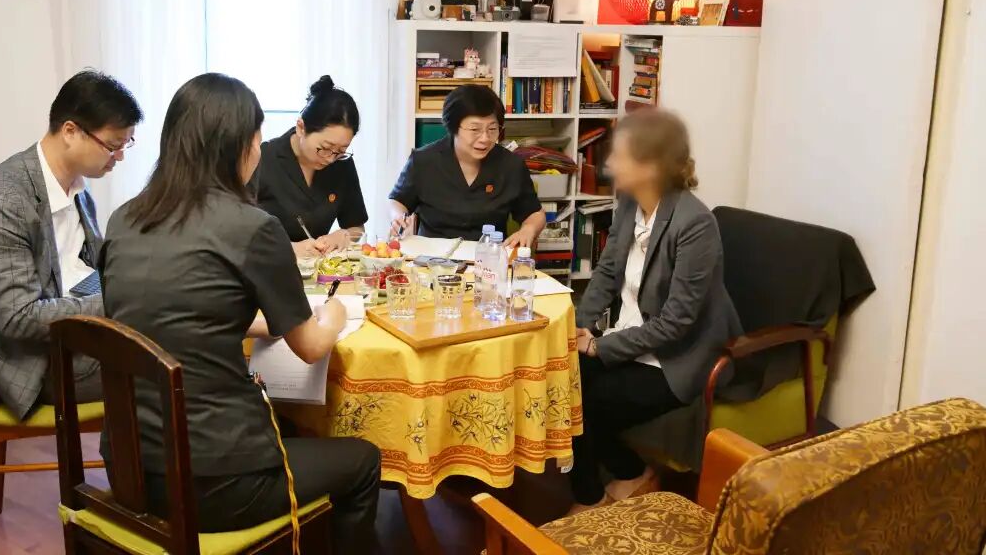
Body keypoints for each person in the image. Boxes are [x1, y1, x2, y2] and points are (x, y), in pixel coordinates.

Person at [99, 73, 380, 550]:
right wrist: (336, 311)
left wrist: (261, 322)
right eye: (256, 139)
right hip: (216, 483)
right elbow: (312, 347)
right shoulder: (251, 227)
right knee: (363, 460)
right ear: (241, 147)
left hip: (129, 467)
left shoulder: (125, 218)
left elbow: (174, 312)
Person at [569, 109, 742, 512]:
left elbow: (676, 323)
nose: (608, 165)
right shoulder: (631, 203)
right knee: (560, 380)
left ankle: (591, 499)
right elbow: (608, 271)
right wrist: (577, 327)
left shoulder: (695, 224)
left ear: (650, 167)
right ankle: (628, 473)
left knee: (589, 400)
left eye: (619, 156)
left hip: (675, 358)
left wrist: (597, 347)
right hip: (631, 338)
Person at [0, 69, 142, 419]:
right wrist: (118, 300)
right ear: (70, 132)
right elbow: (20, 318)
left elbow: (88, 264)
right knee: (174, 363)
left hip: (79, 330)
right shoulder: (0, 202)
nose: (119, 157)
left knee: (177, 334)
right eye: (113, 146)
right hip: (38, 364)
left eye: (125, 145)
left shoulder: (76, 185)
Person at [387, 84, 544, 246]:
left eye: (492, 129)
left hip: (487, 255)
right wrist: (398, 218)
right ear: (454, 127)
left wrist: (529, 229)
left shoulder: (511, 166)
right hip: (432, 254)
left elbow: (534, 213)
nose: (485, 138)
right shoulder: (423, 161)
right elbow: (398, 200)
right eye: (475, 129)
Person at [253, 75, 367, 259]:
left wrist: (343, 235)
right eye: (325, 148)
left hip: (319, 270)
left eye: (341, 151)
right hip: (270, 267)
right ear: (301, 128)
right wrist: (289, 248)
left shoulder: (342, 164)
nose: (330, 159)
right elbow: (236, 233)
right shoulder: (263, 159)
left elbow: (356, 226)